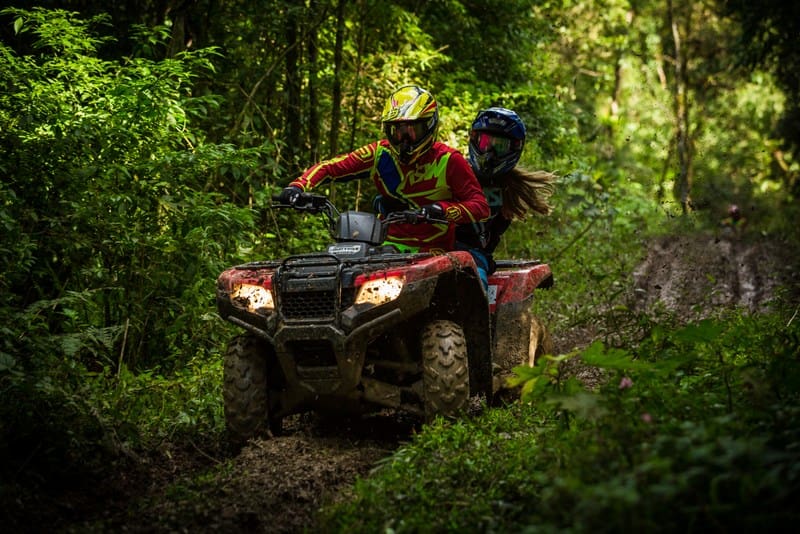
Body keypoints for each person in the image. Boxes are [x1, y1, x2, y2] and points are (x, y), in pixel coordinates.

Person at [279, 84, 489, 254]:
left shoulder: (449, 160)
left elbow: (480, 206)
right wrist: (297, 188)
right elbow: (329, 167)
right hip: (382, 247)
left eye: (411, 131)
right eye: (396, 131)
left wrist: (441, 210)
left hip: (433, 252)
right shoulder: (379, 153)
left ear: (429, 126)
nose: (404, 140)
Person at [455, 107, 556, 287]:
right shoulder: (454, 171)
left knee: (474, 285)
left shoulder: (509, 187)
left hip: (473, 258)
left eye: (499, 146)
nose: (490, 152)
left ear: (514, 148)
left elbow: (492, 235)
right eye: (486, 143)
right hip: (434, 250)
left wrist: (484, 256)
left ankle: (479, 315)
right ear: (474, 138)